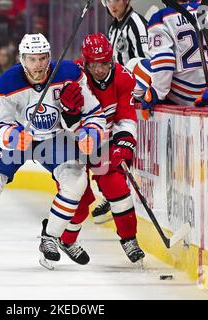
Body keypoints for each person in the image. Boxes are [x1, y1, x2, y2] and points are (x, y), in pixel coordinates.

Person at [0, 33, 106, 271]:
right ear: (21, 59)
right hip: (17, 141)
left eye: (42, 58)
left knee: (76, 182)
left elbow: (94, 114)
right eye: (32, 59)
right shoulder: (7, 83)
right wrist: (12, 136)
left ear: (49, 57)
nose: (38, 66)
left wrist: (92, 134)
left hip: (52, 139)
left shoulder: (69, 74)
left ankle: (51, 237)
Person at [58, 33, 145, 265]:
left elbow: (126, 117)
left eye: (105, 63)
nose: (100, 70)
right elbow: (58, 121)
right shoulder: (70, 77)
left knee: (116, 186)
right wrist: (67, 111)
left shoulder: (124, 79)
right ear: (85, 63)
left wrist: (124, 143)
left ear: (112, 59)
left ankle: (129, 239)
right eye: (95, 65)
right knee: (78, 200)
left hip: (103, 142)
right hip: (71, 144)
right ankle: (63, 239)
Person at [141, 0, 208, 113]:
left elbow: (164, 59)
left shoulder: (160, 17)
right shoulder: (205, 10)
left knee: (137, 65)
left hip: (186, 94)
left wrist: (157, 92)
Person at [101, 0, 149, 66]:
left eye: (117, 0)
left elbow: (145, 63)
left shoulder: (137, 24)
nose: (112, 5)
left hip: (134, 76)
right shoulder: (112, 28)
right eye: (109, 1)